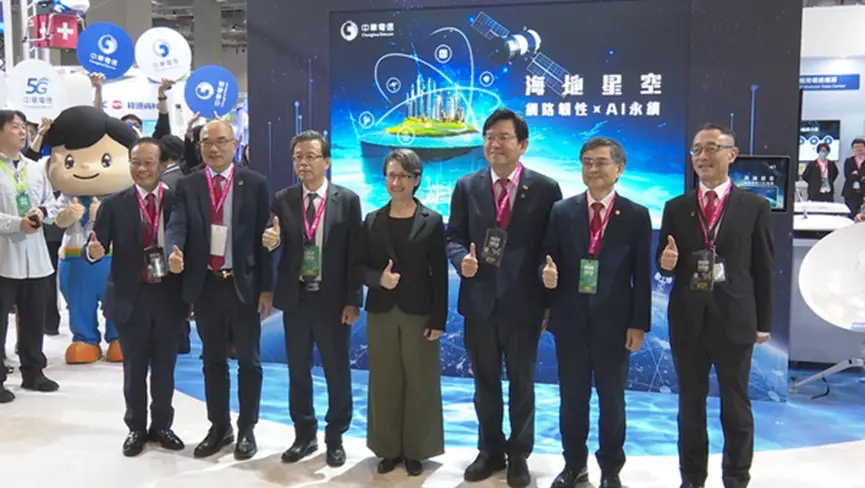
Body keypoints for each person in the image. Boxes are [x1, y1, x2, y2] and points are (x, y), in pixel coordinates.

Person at [445, 108, 562, 487]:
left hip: (524, 304)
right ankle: (489, 451)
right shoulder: (467, 186)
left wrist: (548, 286)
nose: (494, 144)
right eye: (489, 137)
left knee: (522, 385)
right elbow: (453, 236)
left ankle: (519, 455)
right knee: (485, 385)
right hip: (480, 302)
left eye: (503, 137)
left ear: (522, 144)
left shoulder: (545, 188)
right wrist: (460, 259)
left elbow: (552, 246)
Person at [657, 124, 774, 488]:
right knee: (690, 406)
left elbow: (763, 268)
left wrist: (763, 323)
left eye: (711, 148)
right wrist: (666, 262)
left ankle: (736, 478)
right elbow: (664, 262)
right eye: (696, 150)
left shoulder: (754, 206)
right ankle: (692, 478)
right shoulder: (676, 207)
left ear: (731, 154)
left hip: (734, 319)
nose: (703, 157)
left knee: (735, 406)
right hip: (688, 320)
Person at [541, 137, 651, 488]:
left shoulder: (636, 215)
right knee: (572, 400)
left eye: (601, 162)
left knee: (612, 402)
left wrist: (638, 323)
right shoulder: (562, 211)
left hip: (615, 325)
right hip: (571, 322)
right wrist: (546, 276)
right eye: (587, 161)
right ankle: (574, 465)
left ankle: (611, 470)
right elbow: (547, 260)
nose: (593, 168)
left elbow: (642, 276)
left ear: (619, 168)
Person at [166, 120, 274, 461]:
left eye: (221, 141)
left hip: (243, 285)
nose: (214, 148)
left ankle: (247, 429)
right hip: (206, 286)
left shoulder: (254, 183)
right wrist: (173, 250)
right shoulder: (189, 184)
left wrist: (266, 288)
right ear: (199, 146)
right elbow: (177, 224)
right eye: (207, 142)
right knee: (212, 361)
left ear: (234, 144)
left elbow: (264, 238)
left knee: (249, 361)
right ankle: (219, 426)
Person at [261, 130, 361, 468]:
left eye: (310, 156)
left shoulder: (347, 200)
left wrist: (353, 300)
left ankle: (335, 437)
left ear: (326, 161)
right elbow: (273, 236)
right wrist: (272, 241)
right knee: (298, 370)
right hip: (297, 300)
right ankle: (304, 434)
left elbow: (354, 254)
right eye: (298, 157)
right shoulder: (283, 199)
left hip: (333, 302)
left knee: (337, 371)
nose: (303, 163)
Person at [85, 137, 186, 456]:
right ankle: (136, 428)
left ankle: (162, 425)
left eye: (148, 163)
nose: (141, 169)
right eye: (135, 162)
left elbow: (189, 240)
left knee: (165, 367)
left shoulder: (178, 200)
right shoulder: (114, 204)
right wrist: (93, 251)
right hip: (131, 296)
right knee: (134, 368)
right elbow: (96, 245)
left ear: (162, 165)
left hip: (168, 295)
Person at [353, 148, 447, 476]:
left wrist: (438, 318)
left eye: (404, 176)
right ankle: (388, 449)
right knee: (385, 380)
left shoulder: (432, 221)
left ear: (416, 179)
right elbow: (358, 266)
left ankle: (417, 450)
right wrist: (378, 280)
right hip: (381, 310)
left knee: (421, 380)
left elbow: (439, 274)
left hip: (419, 312)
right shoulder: (372, 220)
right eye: (391, 175)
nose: (397, 182)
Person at [0, 109, 60, 403]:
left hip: (36, 257)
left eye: (24, 126)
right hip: (4, 257)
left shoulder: (35, 168)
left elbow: (53, 204)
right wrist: (15, 224)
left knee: (35, 318)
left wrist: (42, 212)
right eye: (15, 126)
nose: (22, 132)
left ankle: (34, 372)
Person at [841, 138, 865, 218]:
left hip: (863, 191)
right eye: (856, 147)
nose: (858, 149)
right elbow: (848, 176)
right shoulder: (849, 161)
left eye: (861, 147)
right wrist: (861, 176)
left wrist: (856, 174)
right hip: (851, 192)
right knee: (851, 214)